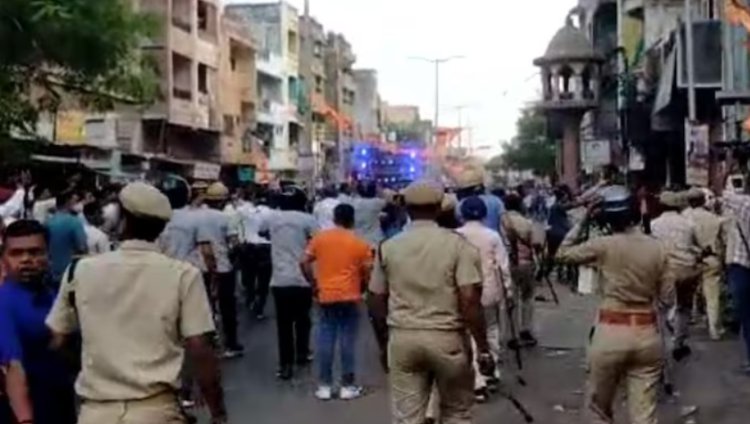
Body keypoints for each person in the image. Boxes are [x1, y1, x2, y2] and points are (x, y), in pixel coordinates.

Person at [46, 182, 227, 424]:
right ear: (162, 227)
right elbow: (200, 348)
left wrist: (90, 367)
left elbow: (58, 339)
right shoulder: (183, 275)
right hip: (157, 410)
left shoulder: (80, 271)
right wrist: (218, 414)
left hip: (96, 412)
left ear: (121, 219)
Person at [368, 180, 495, 424]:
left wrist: (384, 343)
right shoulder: (458, 246)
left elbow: (375, 299)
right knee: (456, 413)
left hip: (404, 339)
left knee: (407, 417)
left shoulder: (388, 247)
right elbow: (469, 300)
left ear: (405, 209)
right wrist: (483, 348)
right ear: (439, 208)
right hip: (447, 340)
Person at [556, 185, 674, 424]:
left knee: (599, 410)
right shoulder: (659, 247)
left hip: (610, 332)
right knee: (644, 414)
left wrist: (585, 220)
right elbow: (667, 297)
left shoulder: (602, 245)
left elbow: (563, 253)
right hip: (647, 333)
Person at [0, 220, 76, 424]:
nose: (26, 259)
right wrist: (26, 420)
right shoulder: (4, 303)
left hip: (62, 402)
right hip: (25, 409)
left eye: (34, 252)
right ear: (4, 259)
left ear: (48, 256)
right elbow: (12, 368)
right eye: (16, 253)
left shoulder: (54, 294)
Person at [301, 204, 372, 400]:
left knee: (326, 338)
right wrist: (362, 287)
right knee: (347, 341)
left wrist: (313, 284)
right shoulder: (359, 243)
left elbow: (304, 261)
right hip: (350, 296)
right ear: (352, 219)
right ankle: (347, 386)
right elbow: (368, 271)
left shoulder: (320, 239)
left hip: (325, 295)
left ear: (334, 218)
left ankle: (324, 385)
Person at [456, 196, 511, 402]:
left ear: (462, 214)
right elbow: (502, 266)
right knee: (492, 330)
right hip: (490, 290)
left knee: (469, 334)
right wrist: (508, 291)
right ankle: (491, 371)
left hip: (464, 291)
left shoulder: (456, 235)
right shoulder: (492, 236)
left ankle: (477, 380)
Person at [264, 186, 318, 380]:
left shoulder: (272, 218)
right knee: (303, 319)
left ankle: (285, 365)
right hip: (302, 277)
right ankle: (302, 353)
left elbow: (262, 232)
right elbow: (316, 245)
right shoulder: (308, 220)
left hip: (279, 279)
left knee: (284, 325)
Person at [650, 191, 701, 360]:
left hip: (665, 270)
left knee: (663, 307)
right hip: (687, 269)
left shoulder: (654, 224)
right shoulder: (688, 223)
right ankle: (678, 342)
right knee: (684, 307)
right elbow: (696, 245)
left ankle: (663, 341)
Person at [202, 182, 242, 358]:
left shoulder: (198, 216)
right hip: (223, 266)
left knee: (206, 306)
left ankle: (209, 341)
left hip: (203, 267)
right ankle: (231, 344)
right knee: (228, 307)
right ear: (223, 200)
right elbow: (233, 243)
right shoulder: (226, 218)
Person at [682, 188, 726, 340]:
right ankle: (714, 329)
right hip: (712, 259)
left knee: (690, 291)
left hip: (691, 260)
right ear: (702, 201)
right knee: (712, 295)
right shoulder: (715, 218)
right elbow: (722, 242)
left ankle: (691, 319)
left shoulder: (684, 218)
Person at [502, 193, 544, 346]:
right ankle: (525, 329)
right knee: (527, 297)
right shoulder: (526, 223)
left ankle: (511, 334)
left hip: (506, 264)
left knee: (511, 299)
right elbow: (537, 244)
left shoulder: (501, 221)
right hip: (525, 264)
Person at [720, 183, 750, 374]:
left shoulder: (744, 204)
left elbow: (722, 192)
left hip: (743, 268)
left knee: (747, 317)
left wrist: (728, 163)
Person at [237, 189, 273, 318]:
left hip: (248, 247)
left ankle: (250, 298)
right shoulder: (272, 213)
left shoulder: (244, 211)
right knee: (264, 281)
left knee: (249, 277)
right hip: (265, 249)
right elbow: (267, 231)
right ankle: (260, 307)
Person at [45, 190, 87, 288]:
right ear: (68, 202)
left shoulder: (47, 222)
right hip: (68, 271)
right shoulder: (74, 222)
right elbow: (82, 247)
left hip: (50, 271)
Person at [351, 181, 387, 248]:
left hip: (357, 238)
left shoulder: (353, 202)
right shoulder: (376, 202)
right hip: (374, 240)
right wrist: (381, 191)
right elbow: (388, 200)